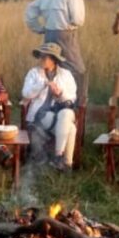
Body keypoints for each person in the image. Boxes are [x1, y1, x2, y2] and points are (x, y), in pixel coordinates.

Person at [24, 0, 88, 103]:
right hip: (66, 35)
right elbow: (78, 19)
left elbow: (30, 11)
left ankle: (51, 101)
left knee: (53, 66)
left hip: (49, 35)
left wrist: (40, 28)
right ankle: (78, 104)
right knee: (78, 69)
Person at [22, 42, 78, 172]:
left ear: (54, 59)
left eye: (44, 57)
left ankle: (58, 156)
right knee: (72, 128)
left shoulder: (66, 74)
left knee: (66, 114)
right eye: (40, 56)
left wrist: (60, 93)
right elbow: (26, 93)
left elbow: (72, 97)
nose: (41, 59)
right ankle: (67, 164)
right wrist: (43, 84)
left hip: (61, 111)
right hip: (42, 115)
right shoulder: (33, 73)